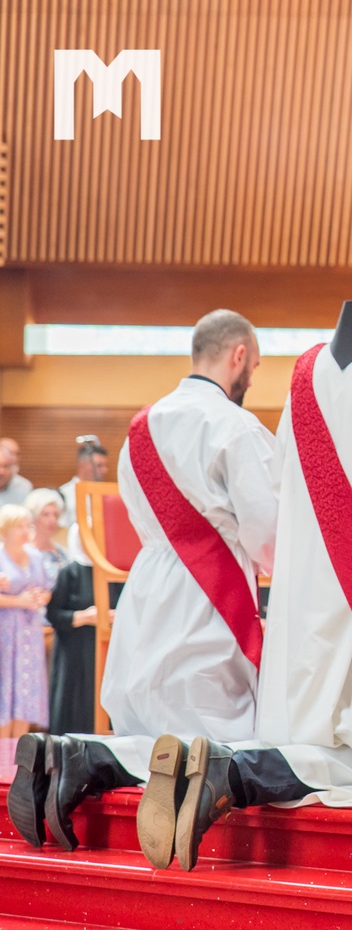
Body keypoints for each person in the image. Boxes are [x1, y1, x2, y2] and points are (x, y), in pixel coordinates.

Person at [145, 246, 352, 874]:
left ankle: (232, 770)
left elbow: (282, 484)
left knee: (317, 740)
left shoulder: (307, 373)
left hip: (307, 595)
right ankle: (232, 772)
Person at [6, 310, 279, 867]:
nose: (251, 376)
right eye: (253, 365)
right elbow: (267, 529)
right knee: (214, 736)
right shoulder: (235, 427)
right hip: (210, 594)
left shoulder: (140, 430)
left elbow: (139, 518)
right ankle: (86, 759)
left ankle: (77, 753)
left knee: (155, 724)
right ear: (238, 356)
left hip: (148, 589)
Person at [0, 505, 52, 739]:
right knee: (5, 687)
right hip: (5, 631)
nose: (25, 531)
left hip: (29, 631)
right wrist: (18, 601)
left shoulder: (36, 557)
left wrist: (41, 597)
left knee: (25, 689)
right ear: (6, 529)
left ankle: (18, 753)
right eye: (18, 526)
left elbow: (46, 589)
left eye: (27, 526)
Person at [45, 552, 105, 736]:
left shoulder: (109, 571)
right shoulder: (69, 573)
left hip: (103, 650)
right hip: (73, 650)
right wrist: (83, 617)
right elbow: (53, 614)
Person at [58, 437, 110, 530]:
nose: (105, 470)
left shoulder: (107, 495)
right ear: (82, 466)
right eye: (99, 466)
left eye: (105, 466)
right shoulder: (64, 494)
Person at [25, 489, 72, 577]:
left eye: (56, 515)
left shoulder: (61, 553)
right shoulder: (22, 551)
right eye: (45, 514)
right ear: (33, 517)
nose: (52, 520)